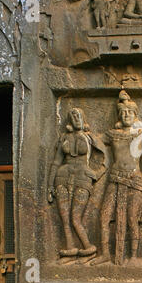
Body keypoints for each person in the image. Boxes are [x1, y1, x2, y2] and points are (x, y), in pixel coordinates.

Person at [91, 90, 142, 266]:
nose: (126, 115)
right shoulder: (113, 134)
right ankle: (105, 253)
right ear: (119, 115)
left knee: (132, 219)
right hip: (115, 179)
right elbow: (95, 141)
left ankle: (133, 256)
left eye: (130, 113)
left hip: (134, 181)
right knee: (104, 217)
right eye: (123, 113)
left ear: (135, 115)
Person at [48, 108, 107, 260]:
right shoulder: (64, 138)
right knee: (65, 218)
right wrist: (49, 185)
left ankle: (88, 248)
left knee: (75, 217)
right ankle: (70, 248)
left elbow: (105, 157)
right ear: (69, 121)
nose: (76, 118)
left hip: (83, 177)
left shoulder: (89, 138)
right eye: (72, 115)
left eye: (78, 115)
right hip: (62, 176)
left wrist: (96, 174)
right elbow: (56, 162)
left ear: (83, 118)